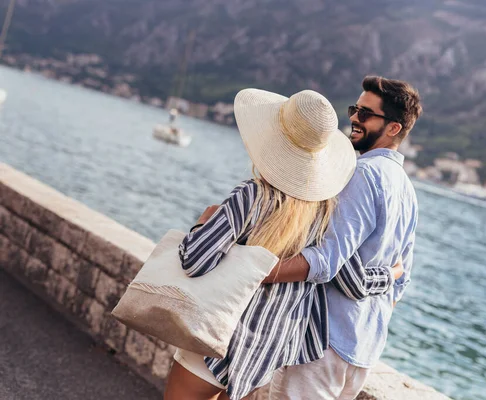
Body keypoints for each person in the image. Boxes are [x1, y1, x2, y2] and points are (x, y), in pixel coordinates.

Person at [164, 88, 397, 400]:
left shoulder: (251, 197)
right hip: (265, 352)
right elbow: (348, 275)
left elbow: (194, 260)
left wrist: (204, 222)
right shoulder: (329, 213)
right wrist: (391, 274)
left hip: (216, 336)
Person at [256, 76, 423, 399]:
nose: (354, 119)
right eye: (355, 109)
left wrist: (257, 272)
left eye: (366, 114)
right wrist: (374, 283)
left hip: (323, 342)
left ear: (394, 129)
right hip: (363, 350)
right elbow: (401, 280)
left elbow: (326, 261)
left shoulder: (363, 174)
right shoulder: (407, 190)